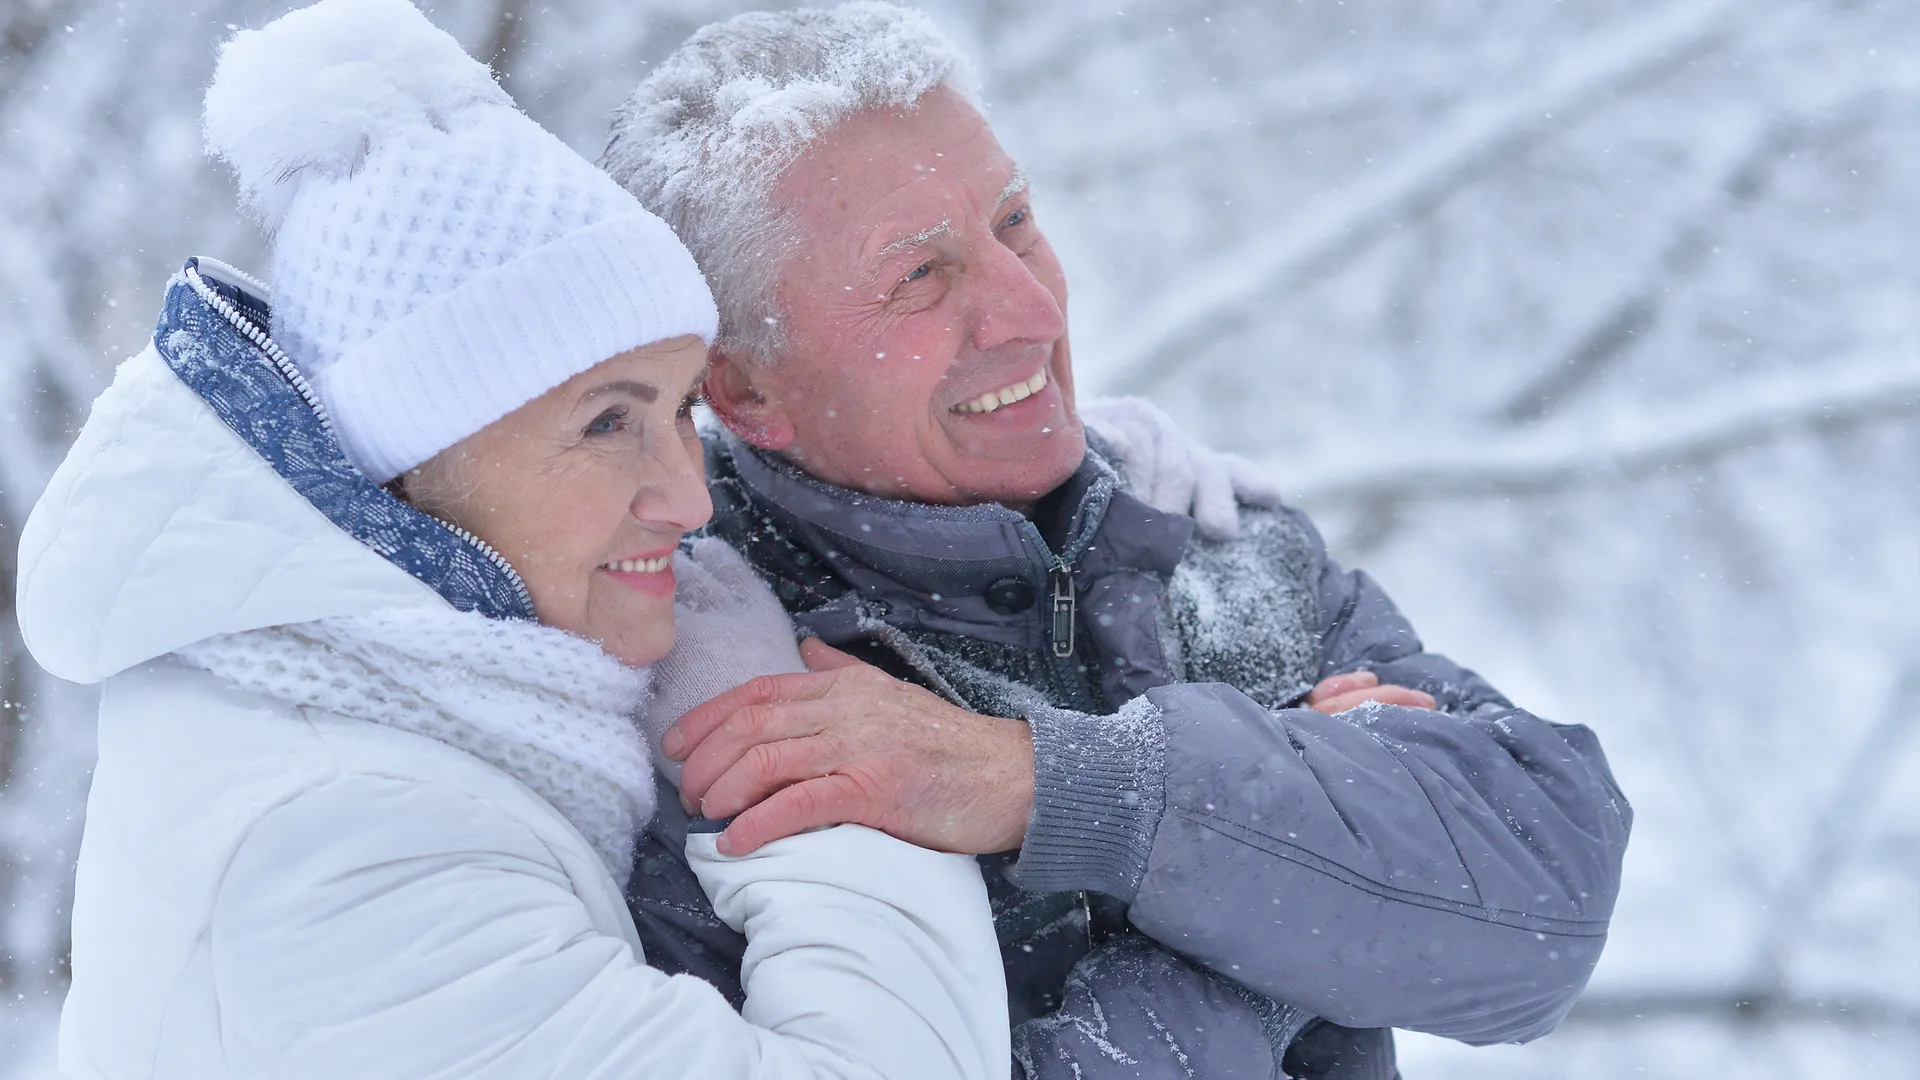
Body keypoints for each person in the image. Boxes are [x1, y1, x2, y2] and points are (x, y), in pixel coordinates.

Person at [602, 5, 1634, 1077]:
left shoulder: (1220, 547)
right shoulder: (695, 705)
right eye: (920, 277)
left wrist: (1053, 786)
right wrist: (1282, 889)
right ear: (745, 384)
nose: (1031, 310)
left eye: (1012, 223)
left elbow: (1548, 900)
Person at [13, 2, 1009, 1077]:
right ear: (413, 467)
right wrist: (805, 774)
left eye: (681, 411)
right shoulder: (346, 842)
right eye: (607, 422)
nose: (690, 499)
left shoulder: (396, 717)